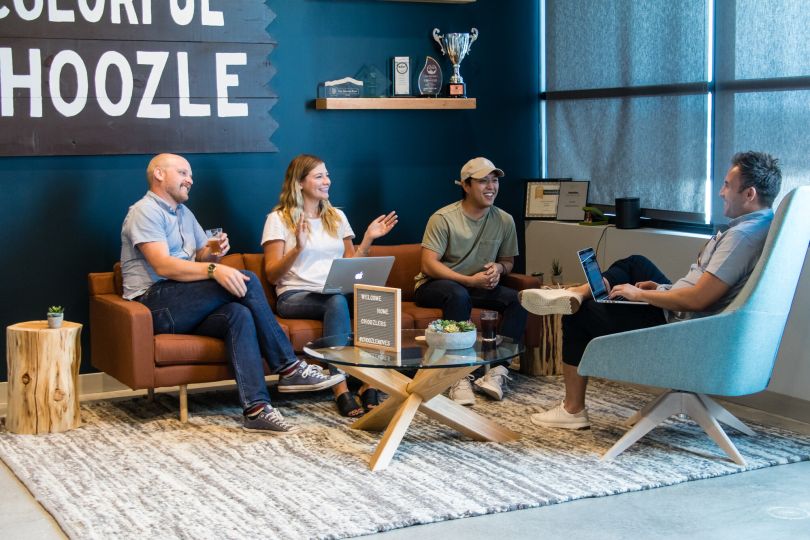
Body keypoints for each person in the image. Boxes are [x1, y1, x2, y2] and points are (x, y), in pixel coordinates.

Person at [521, 151, 782, 429]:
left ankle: (572, 409)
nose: (721, 192)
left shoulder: (742, 237)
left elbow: (698, 299)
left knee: (579, 315)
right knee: (637, 264)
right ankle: (581, 291)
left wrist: (642, 295)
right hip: (688, 314)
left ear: (750, 193)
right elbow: (700, 291)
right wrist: (661, 287)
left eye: (728, 185)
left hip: (684, 328)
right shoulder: (760, 226)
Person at [121, 153, 343, 434]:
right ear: (159, 175)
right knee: (247, 279)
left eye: (190, 174)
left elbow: (199, 258)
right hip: (154, 304)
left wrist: (210, 252)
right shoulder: (145, 211)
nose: (190, 179)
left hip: (182, 300)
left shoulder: (184, 214)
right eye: (183, 173)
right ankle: (288, 367)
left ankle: (256, 409)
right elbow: (163, 264)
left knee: (238, 315)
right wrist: (215, 269)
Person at [262, 154, 398, 417]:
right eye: (319, 176)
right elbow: (271, 274)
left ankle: (370, 383)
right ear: (299, 183)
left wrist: (368, 239)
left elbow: (351, 264)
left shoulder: (336, 217)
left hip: (335, 291)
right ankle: (340, 388)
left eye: (327, 175)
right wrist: (298, 248)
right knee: (336, 300)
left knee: (376, 298)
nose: (328, 181)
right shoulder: (278, 219)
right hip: (294, 295)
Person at [414, 157, 528, 405]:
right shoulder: (443, 218)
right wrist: (469, 280)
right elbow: (428, 264)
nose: (491, 187)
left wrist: (498, 268)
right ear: (466, 186)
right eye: (483, 181)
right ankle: (457, 375)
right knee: (458, 294)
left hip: (477, 285)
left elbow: (508, 261)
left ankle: (497, 371)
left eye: (495, 180)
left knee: (519, 300)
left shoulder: (504, 220)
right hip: (434, 285)